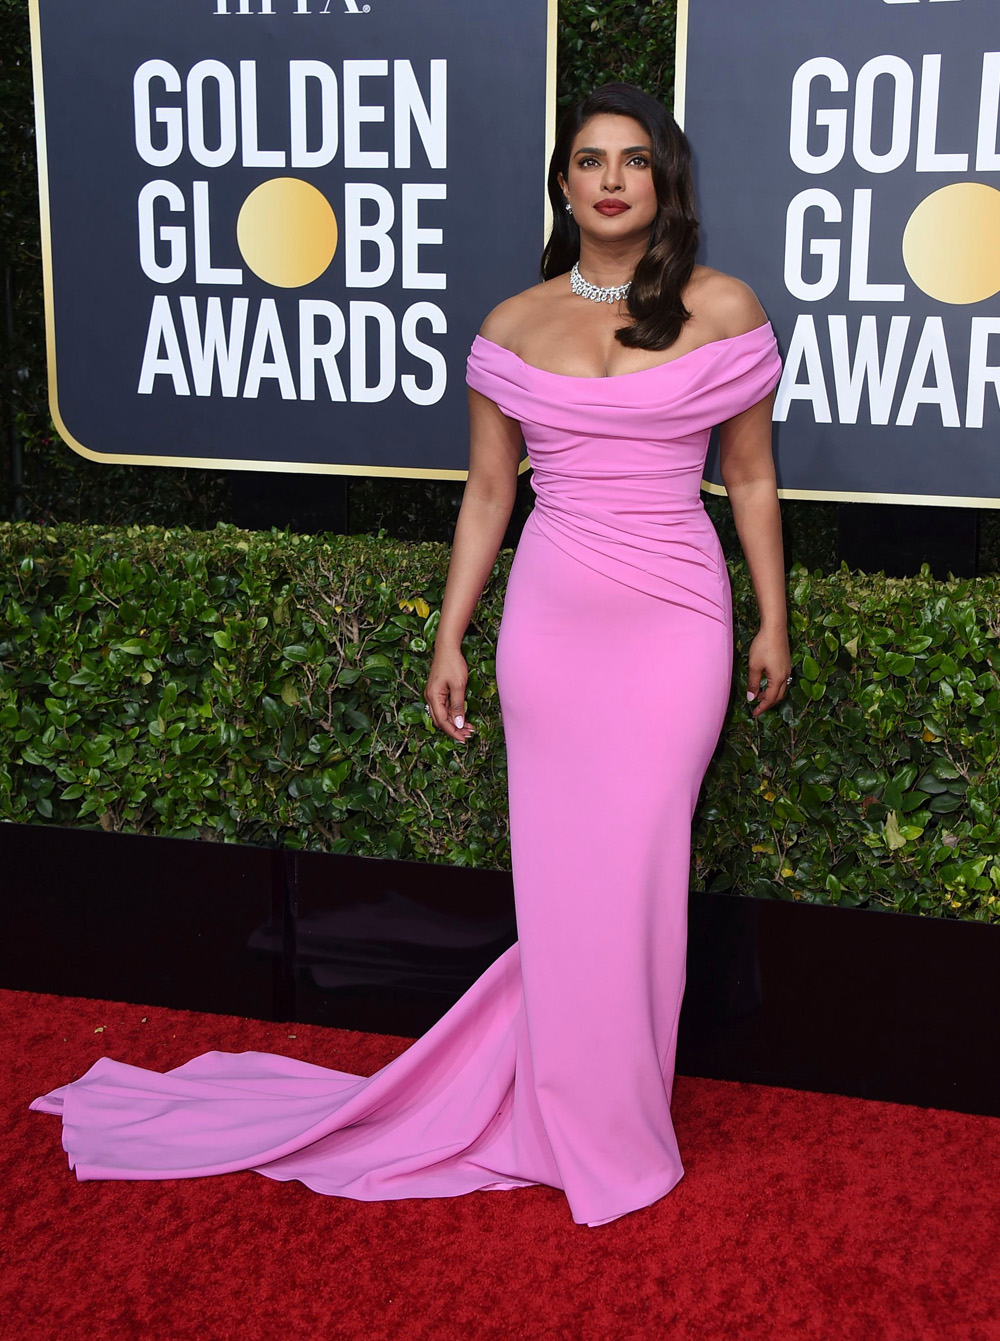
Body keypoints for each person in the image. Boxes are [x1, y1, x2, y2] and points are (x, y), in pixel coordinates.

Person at [29, 83, 788, 1229]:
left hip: (676, 616)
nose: (612, 178)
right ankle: (571, 1113)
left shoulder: (723, 307)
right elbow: (488, 495)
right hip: (551, 623)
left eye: (634, 159)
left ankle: (608, 1116)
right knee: (564, 886)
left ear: (663, 179)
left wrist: (773, 618)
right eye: (590, 159)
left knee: (635, 875)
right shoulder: (509, 324)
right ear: (564, 183)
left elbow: (749, 479)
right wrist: (451, 634)